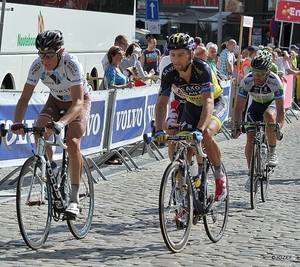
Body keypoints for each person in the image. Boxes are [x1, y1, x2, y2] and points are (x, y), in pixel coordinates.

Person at [11, 30, 91, 218]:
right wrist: (17, 122)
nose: (44, 60)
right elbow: (24, 98)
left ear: (60, 52)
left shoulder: (72, 64)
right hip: (54, 101)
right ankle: (53, 167)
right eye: (41, 54)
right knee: (39, 131)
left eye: (49, 55)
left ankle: (74, 200)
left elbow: (78, 102)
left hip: (78, 102)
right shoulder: (37, 66)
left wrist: (62, 123)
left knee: (72, 142)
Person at [154, 33, 228, 204]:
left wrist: (200, 129)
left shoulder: (202, 69)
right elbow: (161, 103)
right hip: (192, 106)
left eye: (181, 55)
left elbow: (208, 101)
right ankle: (190, 184)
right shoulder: (169, 72)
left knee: (207, 135)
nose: (176, 59)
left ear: (191, 54)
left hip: (215, 103)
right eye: (172, 55)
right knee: (183, 143)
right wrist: (159, 130)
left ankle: (219, 177)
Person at [231, 49, 285, 190]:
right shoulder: (247, 80)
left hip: (270, 105)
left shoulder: (275, 81)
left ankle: (272, 153)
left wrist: (278, 127)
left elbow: (280, 110)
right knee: (250, 140)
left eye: (261, 73)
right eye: (254, 72)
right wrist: (236, 125)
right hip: (254, 107)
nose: (257, 76)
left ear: (268, 73)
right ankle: (251, 174)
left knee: (269, 116)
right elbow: (238, 108)